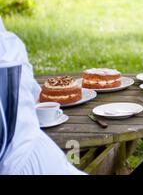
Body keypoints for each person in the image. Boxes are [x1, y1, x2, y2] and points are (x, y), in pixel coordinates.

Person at [0, 17, 85, 175]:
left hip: (35, 150)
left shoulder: (7, 43)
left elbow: (31, 94)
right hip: (21, 158)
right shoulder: (7, 50)